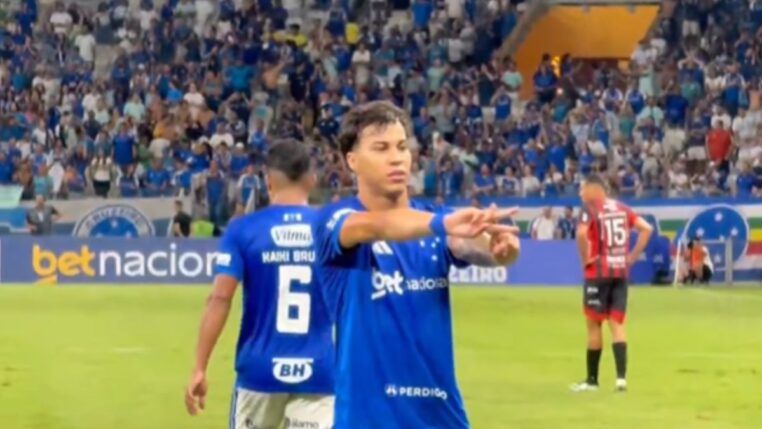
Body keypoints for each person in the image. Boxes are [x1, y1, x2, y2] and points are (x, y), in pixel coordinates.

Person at [312, 101, 521, 429]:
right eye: (381, 148)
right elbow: (375, 226)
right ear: (352, 161)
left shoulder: (436, 222)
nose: (397, 157)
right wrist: (444, 224)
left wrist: (501, 250)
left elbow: (468, 244)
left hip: (442, 418)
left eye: (401, 147)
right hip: (369, 420)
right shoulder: (335, 220)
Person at [185, 139, 335, 429]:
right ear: (312, 180)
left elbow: (220, 299)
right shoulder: (331, 229)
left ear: (268, 181)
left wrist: (200, 367)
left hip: (260, 371)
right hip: (320, 372)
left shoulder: (244, 229)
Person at [571, 174, 653, 393]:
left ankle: (592, 380)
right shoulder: (622, 208)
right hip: (620, 271)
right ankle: (621, 380)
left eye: (583, 188)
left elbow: (581, 234)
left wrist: (585, 259)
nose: (580, 193)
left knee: (594, 324)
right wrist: (632, 256)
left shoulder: (590, 208)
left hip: (598, 271)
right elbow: (646, 228)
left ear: (594, 188)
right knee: (617, 323)